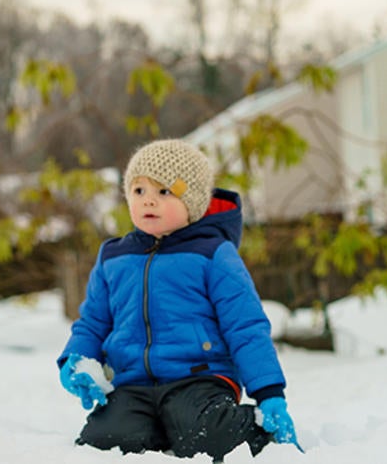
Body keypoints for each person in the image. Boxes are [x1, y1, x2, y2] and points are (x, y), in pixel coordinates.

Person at [58, 139, 303, 461]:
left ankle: (258, 431)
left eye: (164, 191)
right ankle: (159, 428)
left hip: (200, 379)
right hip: (132, 385)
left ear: (193, 202)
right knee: (104, 441)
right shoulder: (114, 256)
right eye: (138, 190)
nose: (149, 200)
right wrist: (75, 359)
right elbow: (94, 322)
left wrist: (268, 392)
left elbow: (244, 326)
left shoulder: (213, 253)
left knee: (207, 436)